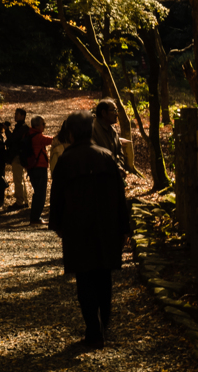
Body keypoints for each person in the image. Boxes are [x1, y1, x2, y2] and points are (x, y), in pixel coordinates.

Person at [49, 110, 131, 350]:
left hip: (77, 229)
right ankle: (102, 325)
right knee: (104, 277)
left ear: (72, 132)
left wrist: (58, 226)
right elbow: (119, 195)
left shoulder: (66, 160)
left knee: (84, 280)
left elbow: (57, 198)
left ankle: (94, 331)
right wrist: (124, 227)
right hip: (107, 227)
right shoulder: (106, 157)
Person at [25, 115, 53, 225]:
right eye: (43, 124)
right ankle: (35, 218)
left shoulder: (30, 134)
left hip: (32, 168)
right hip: (39, 167)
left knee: (38, 192)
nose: (44, 126)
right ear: (37, 126)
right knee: (40, 194)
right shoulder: (37, 137)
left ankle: (35, 217)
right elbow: (50, 140)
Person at [92, 98, 131, 176]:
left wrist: (119, 166)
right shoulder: (93, 130)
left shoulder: (112, 131)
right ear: (103, 113)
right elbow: (93, 157)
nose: (117, 114)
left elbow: (120, 153)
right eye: (114, 111)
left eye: (116, 110)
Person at [4, 108, 29, 208]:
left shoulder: (22, 128)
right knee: (20, 179)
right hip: (19, 155)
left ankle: (20, 202)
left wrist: (6, 130)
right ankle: (24, 200)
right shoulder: (20, 127)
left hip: (18, 156)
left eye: (17, 114)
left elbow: (13, 139)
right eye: (15, 114)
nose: (15, 116)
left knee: (18, 180)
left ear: (23, 116)